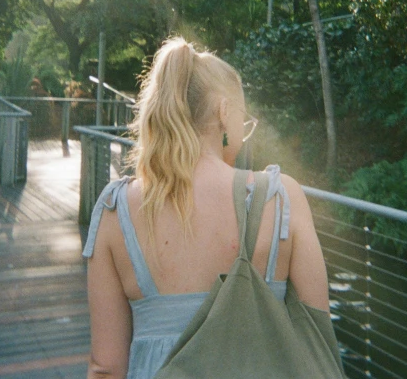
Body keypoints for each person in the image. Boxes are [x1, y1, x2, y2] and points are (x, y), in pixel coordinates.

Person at [82, 37, 332, 379]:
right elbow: (317, 339)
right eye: (243, 121)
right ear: (224, 112)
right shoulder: (280, 198)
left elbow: (106, 368)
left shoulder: (115, 212)